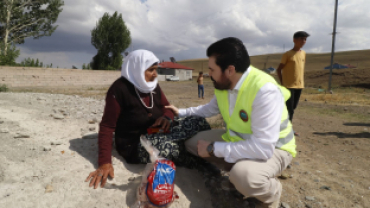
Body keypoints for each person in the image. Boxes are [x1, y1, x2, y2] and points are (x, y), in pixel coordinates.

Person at [166, 37, 296, 208]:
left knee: (244, 176)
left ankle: (272, 191)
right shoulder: (224, 84)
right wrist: (181, 112)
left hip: (275, 149)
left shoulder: (264, 90)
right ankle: (239, 171)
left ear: (230, 70)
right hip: (237, 140)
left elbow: (263, 148)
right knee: (192, 144)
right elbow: (209, 109)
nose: (208, 74)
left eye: (212, 69)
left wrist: (214, 149)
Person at [85, 50, 210, 189]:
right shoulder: (119, 90)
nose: (155, 74)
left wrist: (167, 117)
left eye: (156, 70)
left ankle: (197, 148)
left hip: (157, 130)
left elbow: (166, 107)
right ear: (136, 69)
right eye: (151, 70)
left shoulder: (153, 85)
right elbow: (107, 127)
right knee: (172, 149)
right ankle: (206, 165)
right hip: (135, 143)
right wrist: (104, 162)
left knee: (198, 121)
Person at [277, 31, 310, 136]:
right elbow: (279, 69)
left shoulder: (304, 53)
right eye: (301, 39)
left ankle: (284, 128)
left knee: (293, 108)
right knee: (289, 109)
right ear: (294, 40)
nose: (303, 41)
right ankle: (286, 130)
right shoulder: (287, 54)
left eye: (305, 39)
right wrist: (283, 83)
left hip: (299, 85)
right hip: (288, 86)